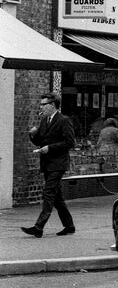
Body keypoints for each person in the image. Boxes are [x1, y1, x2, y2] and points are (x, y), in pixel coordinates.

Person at [21, 92, 76, 238]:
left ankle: (39, 227)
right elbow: (40, 141)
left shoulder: (64, 120)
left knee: (48, 193)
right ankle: (69, 226)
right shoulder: (44, 120)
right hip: (47, 163)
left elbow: (70, 142)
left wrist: (50, 148)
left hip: (58, 164)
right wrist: (33, 134)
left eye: (43, 104)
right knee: (57, 198)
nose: (41, 107)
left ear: (52, 105)